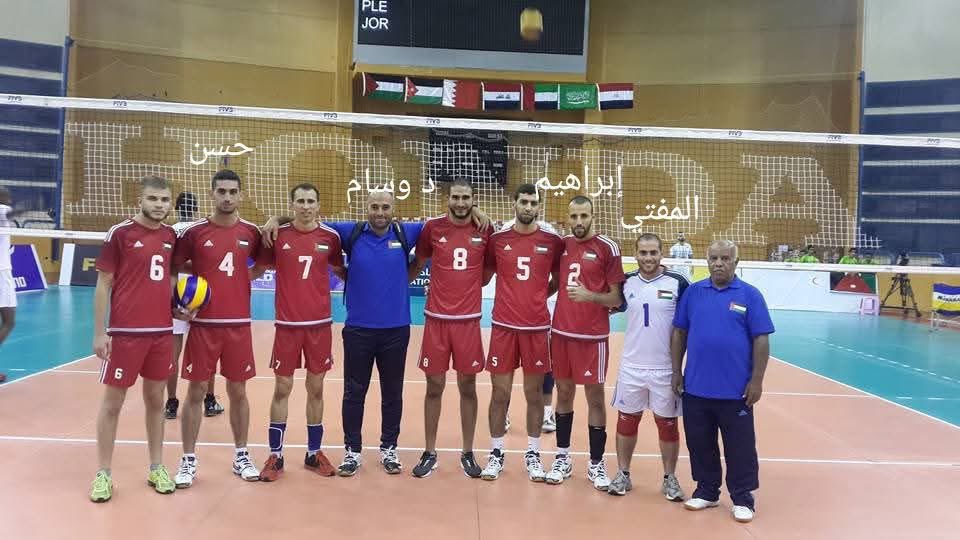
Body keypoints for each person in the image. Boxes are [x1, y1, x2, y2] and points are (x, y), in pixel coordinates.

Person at [262, 189, 488, 477]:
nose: (380, 213)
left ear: (393, 208)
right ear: (365, 208)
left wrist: (476, 208)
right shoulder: (349, 232)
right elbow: (308, 219)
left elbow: (452, 217)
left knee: (392, 393)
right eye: (375, 207)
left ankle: (388, 449)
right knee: (354, 392)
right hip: (358, 328)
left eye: (385, 207)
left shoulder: (409, 231)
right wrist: (275, 218)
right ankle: (352, 451)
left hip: (396, 328)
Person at [89, 175, 179, 502]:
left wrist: (177, 307)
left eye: (164, 200)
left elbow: (168, 277)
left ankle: (156, 466)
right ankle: (103, 474)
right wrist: (101, 332)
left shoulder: (171, 236)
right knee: (113, 404)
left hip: (160, 333)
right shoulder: (121, 233)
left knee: (156, 401)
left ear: (171, 203)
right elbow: (103, 284)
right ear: (140, 200)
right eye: (153, 199)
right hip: (125, 334)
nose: (159, 205)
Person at [671, 239, 775, 523]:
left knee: (739, 447)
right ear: (707, 261)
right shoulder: (693, 293)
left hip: (735, 391)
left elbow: (761, 338)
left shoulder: (750, 296)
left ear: (736, 263)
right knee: (700, 443)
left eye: (725, 258)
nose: (719, 263)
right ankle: (707, 491)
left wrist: (757, 380)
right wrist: (676, 371)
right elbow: (679, 333)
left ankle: (742, 498)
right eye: (714, 258)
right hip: (696, 388)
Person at [172, 169, 264, 487]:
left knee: (238, 392)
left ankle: (241, 455)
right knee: (195, 391)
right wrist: (180, 304)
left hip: (238, 326)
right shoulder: (195, 233)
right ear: (212, 193)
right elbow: (175, 267)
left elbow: (263, 263)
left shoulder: (251, 232)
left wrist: (241, 280)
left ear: (240, 195)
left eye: (232, 191)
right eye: (221, 191)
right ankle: (188, 460)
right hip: (203, 325)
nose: (227, 197)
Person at [258, 183, 345, 481]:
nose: (306, 206)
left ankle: (313, 453)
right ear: (292, 204)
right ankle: (276, 455)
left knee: (316, 389)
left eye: (311, 201)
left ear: (318, 205)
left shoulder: (331, 238)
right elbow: (256, 269)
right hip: (287, 327)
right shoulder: (277, 235)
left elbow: (342, 270)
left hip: (319, 326)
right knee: (282, 389)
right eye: (300, 201)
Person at [406, 179, 490, 478]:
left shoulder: (485, 230)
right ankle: (430, 452)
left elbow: (488, 271)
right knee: (434, 387)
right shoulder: (433, 228)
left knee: (468, 387)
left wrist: (468, 288)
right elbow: (419, 261)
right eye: (455, 197)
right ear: (447, 198)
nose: (460, 203)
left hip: (468, 322)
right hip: (436, 321)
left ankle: (468, 452)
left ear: (473, 199)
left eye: (466, 198)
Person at [481, 183, 562, 482]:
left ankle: (532, 454)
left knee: (534, 395)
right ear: (514, 203)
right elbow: (482, 275)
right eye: (524, 201)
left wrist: (540, 295)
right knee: (499, 393)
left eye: (533, 203)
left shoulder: (551, 240)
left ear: (539, 206)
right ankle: (496, 453)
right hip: (503, 327)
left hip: (536, 328)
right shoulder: (498, 239)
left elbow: (559, 277)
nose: (528, 207)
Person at [545, 196, 624, 490]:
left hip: (592, 338)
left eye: (584, 216)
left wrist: (590, 296)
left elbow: (617, 298)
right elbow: (552, 280)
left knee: (594, 398)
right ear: (568, 217)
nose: (579, 222)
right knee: (563, 393)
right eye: (574, 216)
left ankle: (596, 464)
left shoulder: (608, 248)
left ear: (593, 216)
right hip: (562, 334)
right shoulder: (562, 246)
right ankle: (562, 458)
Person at [607, 233, 687, 500]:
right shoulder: (626, 282)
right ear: (636, 253)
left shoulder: (678, 283)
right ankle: (623, 474)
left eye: (653, 253)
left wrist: (680, 369)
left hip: (665, 369)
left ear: (662, 253)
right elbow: (606, 305)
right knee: (627, 422)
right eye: (643, 253)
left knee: (667, 424)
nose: (648, 258)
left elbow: (688, 325)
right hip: (632, 367)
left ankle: (670, 478)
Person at [165, 191, 224, 419]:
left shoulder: (170, 232)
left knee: (173, 354)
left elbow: (171, 264)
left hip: (175, 296)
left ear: (177, 209)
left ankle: (171, 402)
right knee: (206, 354)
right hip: (200, 295)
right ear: (196, 209)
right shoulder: (200, 231)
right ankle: (209, 400)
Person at [0, 187, 25, 384]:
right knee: (9, 321)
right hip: (1, 273)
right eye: (7, 197)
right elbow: (10, 212)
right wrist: (34, 206)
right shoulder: (1, 210)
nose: (9, 201)